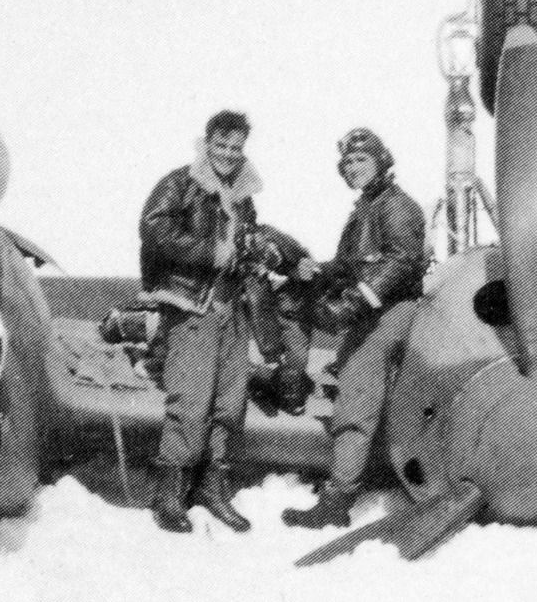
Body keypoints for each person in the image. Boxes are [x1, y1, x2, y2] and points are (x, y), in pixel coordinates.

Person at [281, 127, 428, 529]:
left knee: (355, 397)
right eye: (347, 163)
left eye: (361, 160)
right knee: (352, 384)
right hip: (373, 311)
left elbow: (400, 262)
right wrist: (317, 271)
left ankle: (338, 499)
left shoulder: (397, 207)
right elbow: (352, 264)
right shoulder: (367, 207)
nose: (352, 168)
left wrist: (353, 302)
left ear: (381, 161)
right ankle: (349, 475)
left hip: (390, 311)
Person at [137, 110, 273, 533]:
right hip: (193, 305)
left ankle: (212, 490)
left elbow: (244, 242)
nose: (229, 154)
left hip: (233, 307)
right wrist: (210, 252)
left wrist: (257, 253)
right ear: (207, 142)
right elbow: (153, 228)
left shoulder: (242, 196)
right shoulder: (179, 183)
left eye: (237, 147)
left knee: (229, 405)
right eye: (221, 145)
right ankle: (169, 496)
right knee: (190, 402)